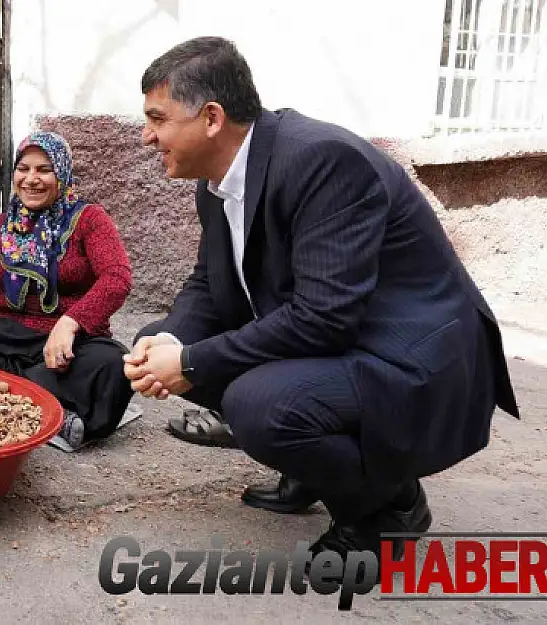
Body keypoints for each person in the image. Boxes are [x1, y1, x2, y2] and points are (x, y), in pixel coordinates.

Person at [123, 37, 518, 562]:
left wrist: (192, 360)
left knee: (257, 404)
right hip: (344, 338)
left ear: (212, 118)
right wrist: (171, 341)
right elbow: (208, 282)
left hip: (415, 357)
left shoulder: (322, 162)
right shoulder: (215, 181)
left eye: (157, 118)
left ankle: (387, 508)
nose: (147, 136)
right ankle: (310, 467)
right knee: (158, 348)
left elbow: (323, 318)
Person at [0, 131, 134, 449]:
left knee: (114, 365)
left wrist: (69, 323)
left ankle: (7, 395)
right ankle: (49, 406)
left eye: (44, 170)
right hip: (11, 338)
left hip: (70, 346)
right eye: (24, 169)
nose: (31, 179)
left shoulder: (90, 220)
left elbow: (117, 278)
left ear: (61, 174)